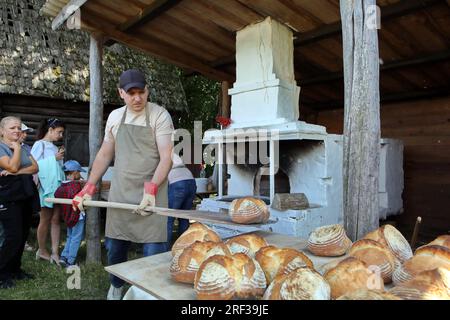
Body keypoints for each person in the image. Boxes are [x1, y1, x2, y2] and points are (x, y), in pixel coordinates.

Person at [72, 69, 174, 300]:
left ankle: (149, 293)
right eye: (131, 93)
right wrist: (89, 186)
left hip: (152, 191)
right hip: (121, 192)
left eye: (141, 92)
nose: (137, 98)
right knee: (115, 247)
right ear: (121, 93)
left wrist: (151, 190)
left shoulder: (160, 115)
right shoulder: (116, 117)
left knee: (153, 252)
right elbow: (105, 154)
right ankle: (117, 285)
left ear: (147, 91)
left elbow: (166, 157)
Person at [0, 116, 39, 289]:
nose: (17, 130)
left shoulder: (24, 147)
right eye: (12, 128)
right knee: (12, 237)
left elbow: (35, 167)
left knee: (22, 234)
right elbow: (12, 166)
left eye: (18, 127)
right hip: (7, 195)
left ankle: (15, 269)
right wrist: (16, 148)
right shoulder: (2, 147)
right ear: (2, 131)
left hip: (24, 194)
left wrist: (16, 172)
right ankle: (2, 274)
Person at [31, 118, 66, 264]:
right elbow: (32, 165)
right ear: (50, 130)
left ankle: (55, 252)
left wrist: (58, 158)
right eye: (59, 132)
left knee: (56, 219)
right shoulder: (39, 145)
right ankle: (42, 250)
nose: (61, 135)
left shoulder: (53, 147)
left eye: (62, 133)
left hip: (56, 187)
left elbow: (58, 168)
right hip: (45, 188)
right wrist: (54, 158)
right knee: (45, 219)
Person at [54, 160, 86, 268]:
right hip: (77, 216)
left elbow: (56, 194)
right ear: (75, 172)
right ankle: (70, 261)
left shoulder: (62, 186)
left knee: (70, 236)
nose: (80, 175)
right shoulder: (75, 186)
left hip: (67, 216)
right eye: (79, 173)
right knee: (76, 238)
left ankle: (64, 257)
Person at [166, 153, 196, 249]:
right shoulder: (173, 153)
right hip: (190, 180)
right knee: (184, 217)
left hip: (177, 182)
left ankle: (164, 249)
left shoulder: (159, 152)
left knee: (168, 218)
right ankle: (184, 247)